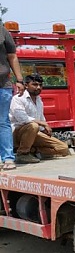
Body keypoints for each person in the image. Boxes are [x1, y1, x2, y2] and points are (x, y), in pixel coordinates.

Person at [9, 74, 69, 164]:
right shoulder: (18, 98)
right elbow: (23, 119)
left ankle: (33, 151)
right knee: (33, 126)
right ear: (26, 85)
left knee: (63, 148)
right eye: (35, 84)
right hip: (17, 134)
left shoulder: (39, 100)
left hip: (34, 133)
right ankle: (23, 154)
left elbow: (41, 118)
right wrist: (43, 124)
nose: (38, 87)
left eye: (40, 85)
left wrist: (44, 129)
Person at [0, 20, 25, 170]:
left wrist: (19, 80)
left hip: (2, 84)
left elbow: (12, 56)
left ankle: (8, 158)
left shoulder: (3, 31)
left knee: (2, 122)